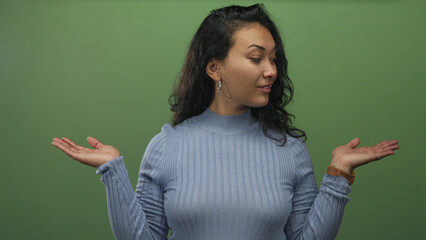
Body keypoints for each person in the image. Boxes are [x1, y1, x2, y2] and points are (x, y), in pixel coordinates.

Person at [51, 4, 399, 240]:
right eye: (256, 57)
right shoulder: (167, 146)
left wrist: (339, 174)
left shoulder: (290, 149)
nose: (271, 70)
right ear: (214, 67)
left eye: (274, 59)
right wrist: (113, 170)